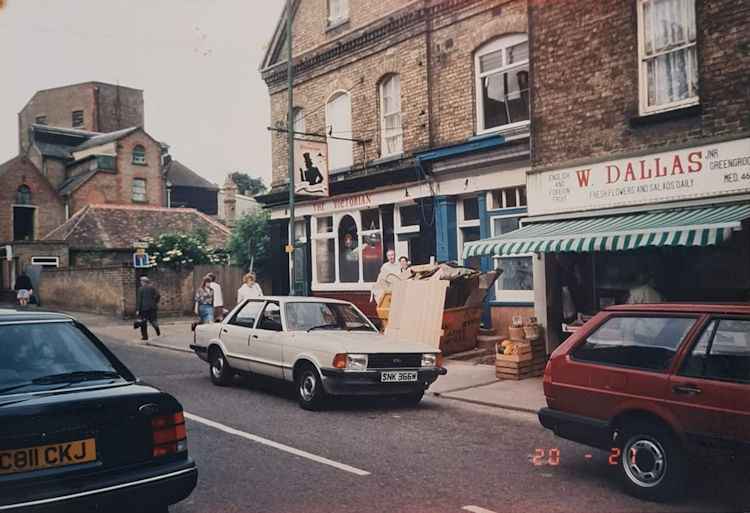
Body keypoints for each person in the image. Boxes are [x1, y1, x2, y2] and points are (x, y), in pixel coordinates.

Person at [135, 276, 161, 340]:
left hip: (144, 308)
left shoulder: (140, 289)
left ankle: (145, 336)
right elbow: (158, 295)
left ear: (144, 282)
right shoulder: (153, 288)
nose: (141, 282)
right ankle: (156, 328)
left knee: (143, 322)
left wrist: (138, 309)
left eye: (141, 281)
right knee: (153, 320)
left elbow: (140, 300)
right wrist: (155, 301)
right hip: (153, 307)